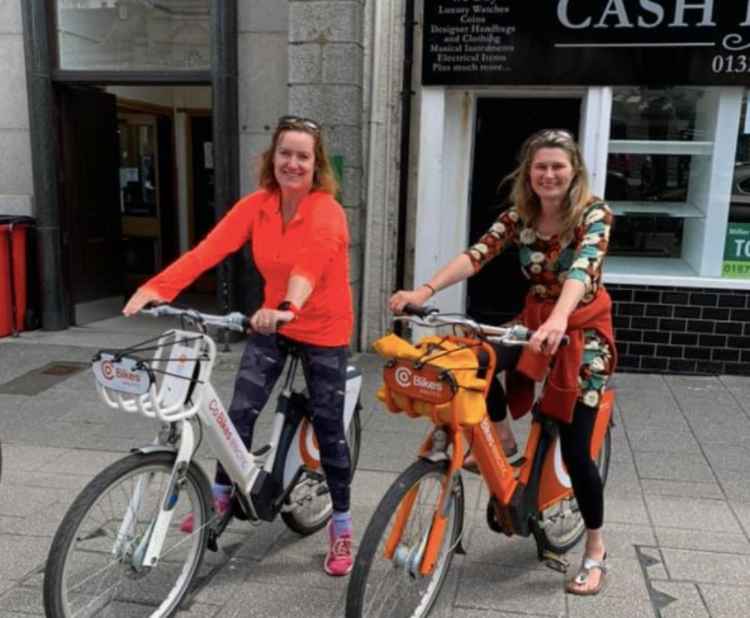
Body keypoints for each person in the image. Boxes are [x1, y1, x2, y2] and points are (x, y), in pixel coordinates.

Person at [123, 115, 355, 577]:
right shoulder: (258, 206)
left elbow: (311, 263)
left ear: (316, 165)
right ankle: (223, 495)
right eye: (285, 154)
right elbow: (209, 250)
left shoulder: (327, 210)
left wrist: (288, 304)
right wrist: (158, 288)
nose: (293, 163)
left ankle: (342, 527)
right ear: (273, 159)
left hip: (323, 326)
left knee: (329, 426)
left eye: (302, 156)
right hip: (273, 322)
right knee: (240, 411)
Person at [390, 128, 616, 596]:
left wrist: (558, 319)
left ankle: (595, 548)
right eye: (540, 167)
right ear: (528, 174)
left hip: (581, 332)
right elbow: (477, 255)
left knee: (576, 448)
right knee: (471, 357)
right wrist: (423, 292)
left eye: (558, 166)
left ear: (573, 170)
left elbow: (582, 269)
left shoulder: (594, 213)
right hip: (533, 323)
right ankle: (505, 440)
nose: (549, 174)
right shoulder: (520, 217)